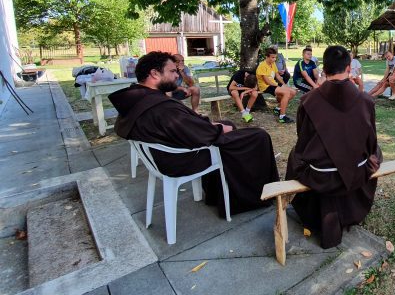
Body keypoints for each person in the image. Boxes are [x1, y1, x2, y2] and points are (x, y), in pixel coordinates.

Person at [108, 51, 279, 217]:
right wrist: (217, 128)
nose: (177, 75)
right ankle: (254, 196)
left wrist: (208, 124)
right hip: (179, 159)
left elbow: (181, 125)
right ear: (154, 74)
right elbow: (200, 133)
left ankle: (216, 194)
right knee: (259, 136)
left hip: (162, 153)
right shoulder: (160, 106)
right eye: (172, 71)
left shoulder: (137, 97)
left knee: (228, 123)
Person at [286, 46, 382, 248]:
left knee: (295, 154)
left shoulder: (308, 100)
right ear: (349, 68)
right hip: (356, 172)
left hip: (321, 176)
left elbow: (303, 140)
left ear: (324, 70)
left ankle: (317, 210)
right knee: (375, 152)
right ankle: (350, 208)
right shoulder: (366, 100)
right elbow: (371, 143)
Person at [257, 47, 298, 123]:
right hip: (265, 86)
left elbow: (277, 76)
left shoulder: (273, 64)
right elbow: (267, 81)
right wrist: (279, 86)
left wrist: (284, 84)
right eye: (272, 57)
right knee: (287, 92)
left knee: (293, 92)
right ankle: (282, 117)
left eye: (275, 57)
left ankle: (278, 109)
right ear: (267, 57)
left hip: (273, 84)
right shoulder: (262, 66)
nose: (274, 59)